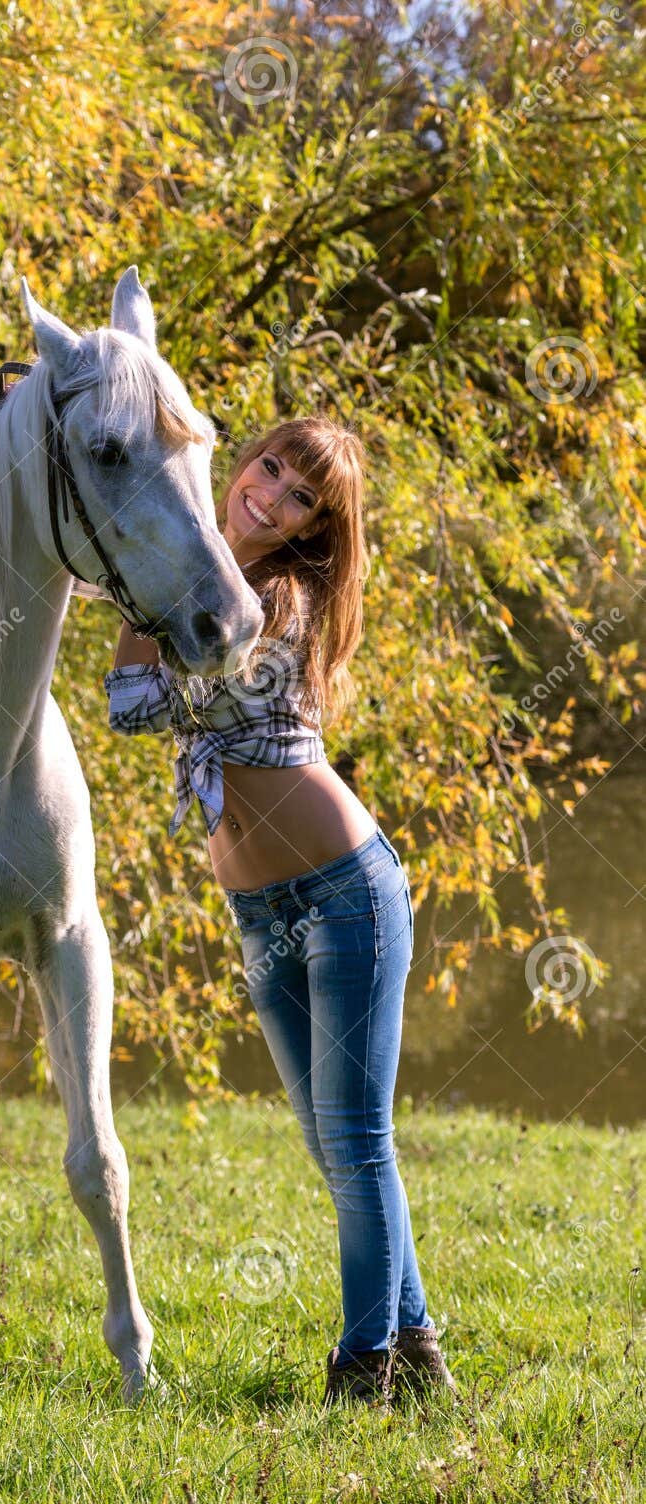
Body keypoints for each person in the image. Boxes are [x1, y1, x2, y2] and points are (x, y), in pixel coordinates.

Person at [102, 416, 456, 1410]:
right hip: (261, 908)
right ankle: (417, 1349)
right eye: (270, 469)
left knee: (356, 1139)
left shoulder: (279, 600)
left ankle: (363, 1369)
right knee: (330, 1142)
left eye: (302, 498)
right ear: (241, 462)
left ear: (314, 528)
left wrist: (138, 580)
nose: (273, 497)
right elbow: (126, 694)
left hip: (346, 891)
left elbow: (153, 697)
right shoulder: (200, 571)